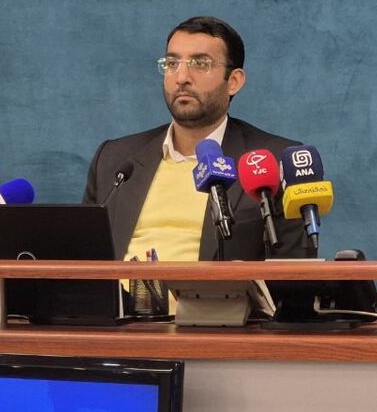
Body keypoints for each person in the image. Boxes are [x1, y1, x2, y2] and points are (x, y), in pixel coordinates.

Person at [83, 16, 313, 261]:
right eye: (172, 63)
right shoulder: (114, 159)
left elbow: (293, 271)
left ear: (234, 81)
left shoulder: (274, 161)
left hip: (215, 288)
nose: (181, 77)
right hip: (120, 287)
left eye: (200, 63)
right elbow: (82, 257)